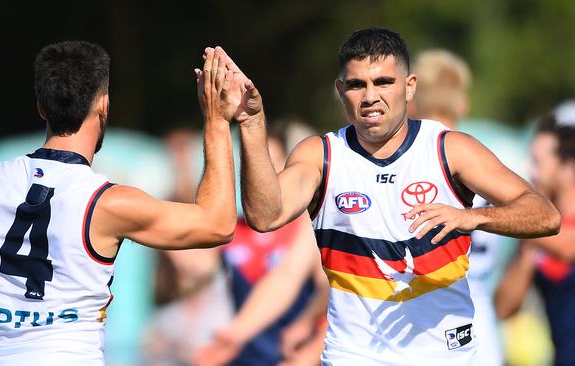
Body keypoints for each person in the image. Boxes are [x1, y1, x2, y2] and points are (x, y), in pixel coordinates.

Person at [221, 28, 560, 365]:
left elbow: (545, 215)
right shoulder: (322, 155)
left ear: (410, 86)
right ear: (341, 91)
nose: (370, 96)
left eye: (383, 82)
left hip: (445, 355)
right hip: (354, 356)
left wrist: (473, 217)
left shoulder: (449, 149)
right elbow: (265, 216)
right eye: (357, 85)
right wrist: (251, 125)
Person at [0, 42, 239, 365]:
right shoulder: (106, 203)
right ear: (104, 105)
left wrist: (7, 315)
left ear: (41, 107)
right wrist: (216, 121)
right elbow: (218, 224)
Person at [408, 49, 515, 366]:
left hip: (424, 320)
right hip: (482, 321)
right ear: (463, 105)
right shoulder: (489, 165)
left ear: (411, 102)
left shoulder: (412, 164)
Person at [194, 123, 328, 366]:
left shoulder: (308, 227)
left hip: (294, 355)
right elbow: (188, 268)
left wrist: (309, 350)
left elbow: (336, 295)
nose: (260, 177)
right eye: (251, 167)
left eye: (270, 165)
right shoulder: (230, 229)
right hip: (244, 357)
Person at [496, 107, 575, 366]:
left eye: (538, 162)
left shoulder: (536, 232)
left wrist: (486, 218)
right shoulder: (534, 235)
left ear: (567, 168)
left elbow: (567, 247)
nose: (529, 171)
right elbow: (504, 307)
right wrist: (528, 245)